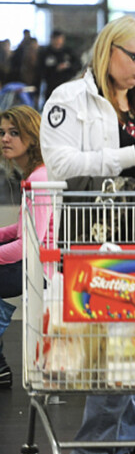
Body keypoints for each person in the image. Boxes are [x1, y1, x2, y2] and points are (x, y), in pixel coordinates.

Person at [40, 15, 135, 454]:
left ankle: (124, 444)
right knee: (105, 343)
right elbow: (59, 163)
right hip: (91, 234)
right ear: (109, 51)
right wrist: (132, 157)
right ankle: (92, 452)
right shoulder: (70, 99)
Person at [0, 106, 51, 390]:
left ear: (32, 137)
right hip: (35, 263)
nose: (5, 139)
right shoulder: (34, 176)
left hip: (42, 268)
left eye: (14, 133)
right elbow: (20, 230)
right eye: (2, 133)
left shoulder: (39, 180)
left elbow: (28, 245)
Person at [37, 31, 80, 102]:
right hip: (52, 86)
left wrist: (68, 66)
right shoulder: (45, 53)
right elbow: (41, 71)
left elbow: (78, 65)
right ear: (52, 40)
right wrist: (55, 69)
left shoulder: (68, 52)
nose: (58, 42)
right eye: (56, 39)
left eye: (60, 39)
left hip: (67, 86)